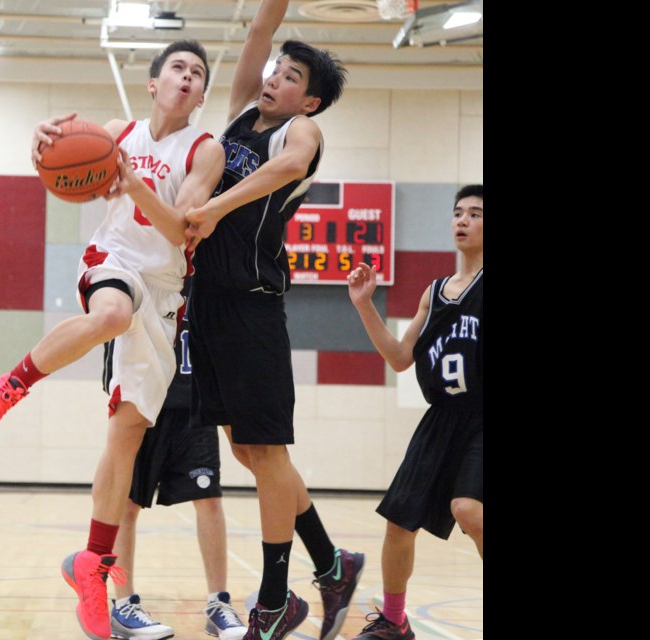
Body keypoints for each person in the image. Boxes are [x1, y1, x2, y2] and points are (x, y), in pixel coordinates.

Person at [0, 39, 226, 640]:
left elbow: (182, 228)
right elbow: (57, 145)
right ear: (154, 84)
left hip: (164, 291)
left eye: (198, 74)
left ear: (202, 96)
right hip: (113, 262)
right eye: (177, 69)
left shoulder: (205, 151)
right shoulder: (115, 132)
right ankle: (5, 387)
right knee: (109, 313)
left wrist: (132, 186)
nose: (187, 77)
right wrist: (42, 138)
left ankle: (92, 562)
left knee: (127, 432)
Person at [183, 2, 364, 639]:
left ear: (309, 102)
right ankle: (332, 562)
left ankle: (274, 597)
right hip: (206, 302)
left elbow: (286, 169)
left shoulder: (299, 135)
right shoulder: (238, 113)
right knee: (246, 448)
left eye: (292, 78)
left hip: (252, 304)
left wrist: (212, 207)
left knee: (269, 449)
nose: (275, 79)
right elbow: (258, 29)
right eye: (277, 70)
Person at [345, 184, 483, 640]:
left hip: (482, 416)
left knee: (469, 510)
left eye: (476, 214)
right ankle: (394, 620)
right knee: (400, 522)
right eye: (458, 213)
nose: (462, 220)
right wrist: (365, 306)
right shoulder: (435, 291)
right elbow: (401, 358)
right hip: (441, 415)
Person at [101, 279, 247, 640]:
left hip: (194, 402)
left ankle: (218, 604)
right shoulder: (130, 272)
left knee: (209, 499)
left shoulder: (200, 274)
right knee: (126, 505)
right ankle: (123, 604)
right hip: (141, 404)